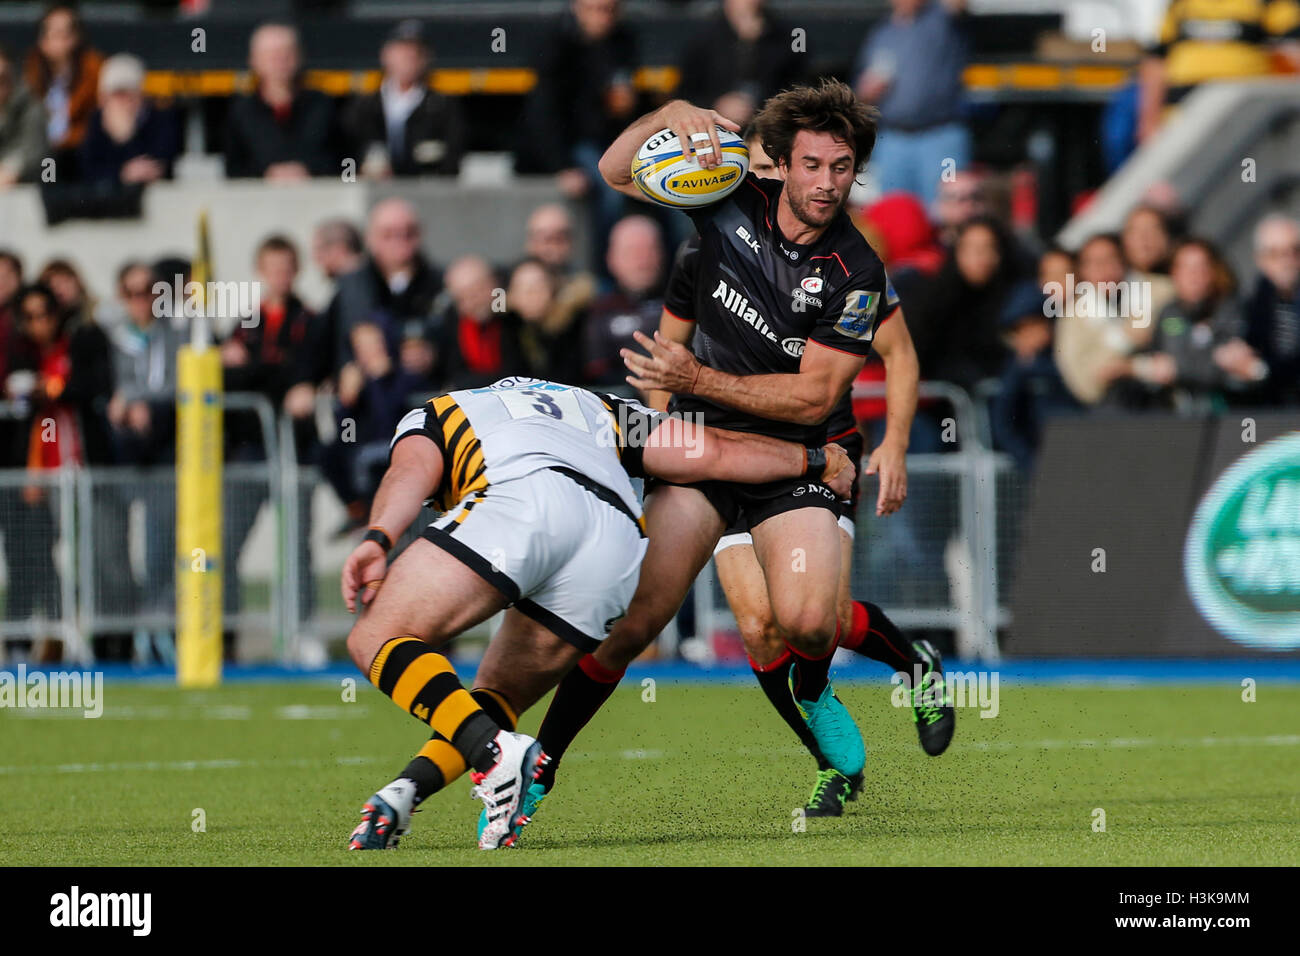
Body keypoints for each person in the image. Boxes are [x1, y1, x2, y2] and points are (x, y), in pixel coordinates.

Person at [482, 79, 931, 831]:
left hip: (797, 462)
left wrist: (693, 377)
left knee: (807, 623)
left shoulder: (858, 272)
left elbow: (815, 399)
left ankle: (828, 688)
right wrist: (665, 115)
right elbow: (615, 173)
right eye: (813, 165)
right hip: (708, 451)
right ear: (781, 165)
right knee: (628, 622)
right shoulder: (726, 196)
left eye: (842, 168)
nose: (826, 184)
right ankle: (540, 770)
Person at [341, 376, 857, 850]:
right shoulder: (596, 405)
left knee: (375, 637)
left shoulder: (439, 411)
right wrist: (815, 460)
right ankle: (404, 794)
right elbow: (711, 450)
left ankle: (493, 755)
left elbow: (411, 470)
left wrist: (377, 536)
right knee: (497, 698)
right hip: (612, 542)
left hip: (520, 503)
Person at [656, 125, 952, 817]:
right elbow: (666, 348)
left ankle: (915, 666)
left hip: (820, 452)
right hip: (722, 450)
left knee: (808, 622)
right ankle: (831, 763)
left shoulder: (848, 265)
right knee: (759, 627)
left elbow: (899, 355)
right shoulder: (707, 249)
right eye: (757, 171)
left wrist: (897, 443)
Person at [219, 235, 320, 658]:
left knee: (296, 543)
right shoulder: (246, 322)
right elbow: (234, 377)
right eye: (272, 267)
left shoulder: (311, 321)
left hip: (295, 451)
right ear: (261, 270)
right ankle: (225, 634)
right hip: (248, 450)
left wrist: (262, 372)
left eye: (287, 266)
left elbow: (305, 370)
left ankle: (301, 631)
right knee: (226, 542)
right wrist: (271, 376)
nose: (280, 275)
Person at [516, 0, 640, 273]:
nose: (603, 17)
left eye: (610, 10)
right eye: (595, 9)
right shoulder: (557, 44)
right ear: (577, 8)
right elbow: (543, 112)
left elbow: (624, 94)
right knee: (612, 191)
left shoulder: (623, 41)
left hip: (609, 139)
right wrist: (561, 166)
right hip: (570, 144)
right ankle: (604, 273)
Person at [852, 0, 970, 209]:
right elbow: (860, 90)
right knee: (895, 212)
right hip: (893, 139)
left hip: (939, 136)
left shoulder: (941, 20)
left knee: (944, 210)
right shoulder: (882, 32)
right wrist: (867, 91)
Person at [1139, 238, 1264, 412]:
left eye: (1200, 267)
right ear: (1174, 273)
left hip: (1228, 414)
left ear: (1213, 271)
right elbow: (1155, 363)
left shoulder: (1231, 309)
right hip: (1176, 415)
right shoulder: (1168, 313)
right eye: (1186, 268)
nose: (1194, 276)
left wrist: (1177, 368)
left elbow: (1231, 367)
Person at [342, 20, 464, 179]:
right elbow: (343, 152)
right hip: (373, 192)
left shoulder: (442, 107)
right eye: (403, 50)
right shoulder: (363, 107)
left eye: (417, 52)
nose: (410, 56)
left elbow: (452, 159)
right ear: (386, 55)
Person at [223, 22, 336, 180]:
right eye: (272, 55)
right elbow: (232, 170)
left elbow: (345, 161)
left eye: (287, 53)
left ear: (300, 56)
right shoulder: (241, 112)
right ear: (254, 60)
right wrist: (265, 175)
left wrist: (310, 170)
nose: (281, 61)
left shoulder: (323, 107)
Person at [989, 281, 1080, 473]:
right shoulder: (1015, 370)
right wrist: (1031, 464)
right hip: (1039, 461)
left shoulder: (1066, 357)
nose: (1029, 335)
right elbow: (1003, 423)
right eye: (1021, 329)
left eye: (1034, 325)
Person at [675, 0, 803, 128]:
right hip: (713, 128)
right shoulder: (702, 39)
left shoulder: (791, 36)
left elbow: (798, 88)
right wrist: (716, 105)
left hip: (769, 128)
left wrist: (754, 45)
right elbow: (683, 96)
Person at [582, 214, 665, 386]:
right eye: (632, 252)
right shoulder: (596, 310)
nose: (643, 260)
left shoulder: (686, 305)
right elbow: (596, 372)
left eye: (650, 249)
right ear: (611, 260)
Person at [22, 4, 102, 180]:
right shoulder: (33, 71)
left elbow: (95, 119)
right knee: (46, 168)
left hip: (80, 151)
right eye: (56, 33)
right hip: (46, 154)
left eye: (68, 32)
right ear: (43, 40)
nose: (63, 39)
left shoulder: (93, 69)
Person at [78, 53, 180, 186]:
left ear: (140, 94)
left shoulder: (161, 119)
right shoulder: (97, 121)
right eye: (116, 94)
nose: (122, 102)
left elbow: (161, 163)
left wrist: (128, 138)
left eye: (127, 94)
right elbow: (88, 169)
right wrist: (122, 173)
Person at [1242, 214, 1300, 406]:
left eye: (1294, 251)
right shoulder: (1246, 308)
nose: (1287, 260)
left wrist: (1263, 369)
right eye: (1275, 253)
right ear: (1260, 259)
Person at [0, 44, 48, 188]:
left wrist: (12, 169)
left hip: (24, 190)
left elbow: (42, 158)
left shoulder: (32, 107)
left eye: (2, 79)